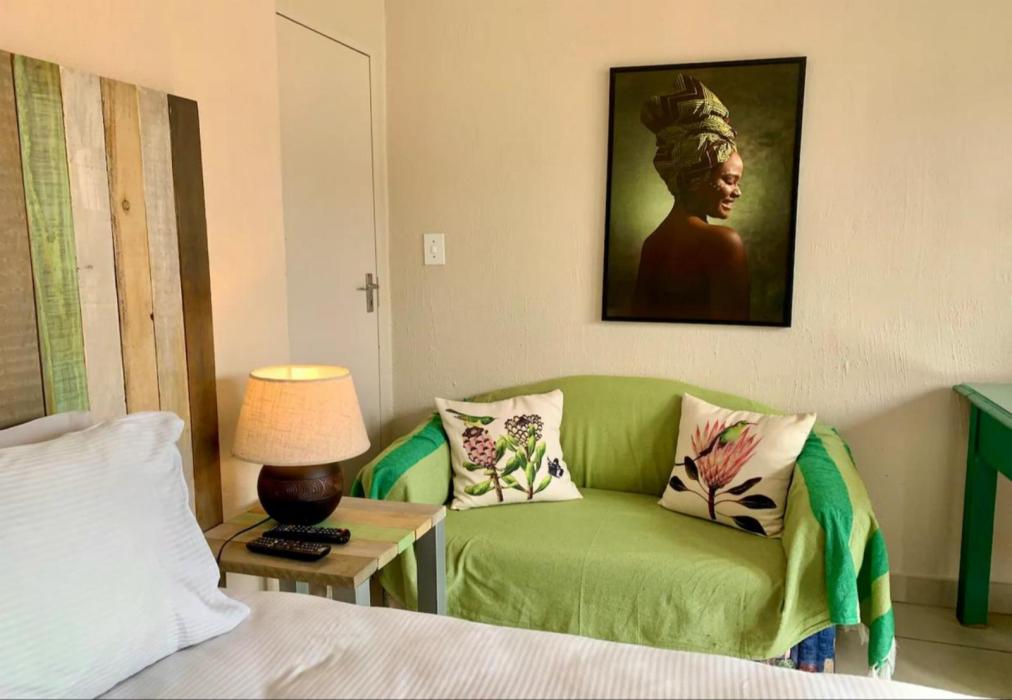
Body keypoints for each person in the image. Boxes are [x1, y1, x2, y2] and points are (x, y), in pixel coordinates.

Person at [631, 75, 749, 322]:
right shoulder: (724, 243)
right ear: (694, 178)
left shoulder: (652, 245)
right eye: (729, 180)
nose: (737, 191)